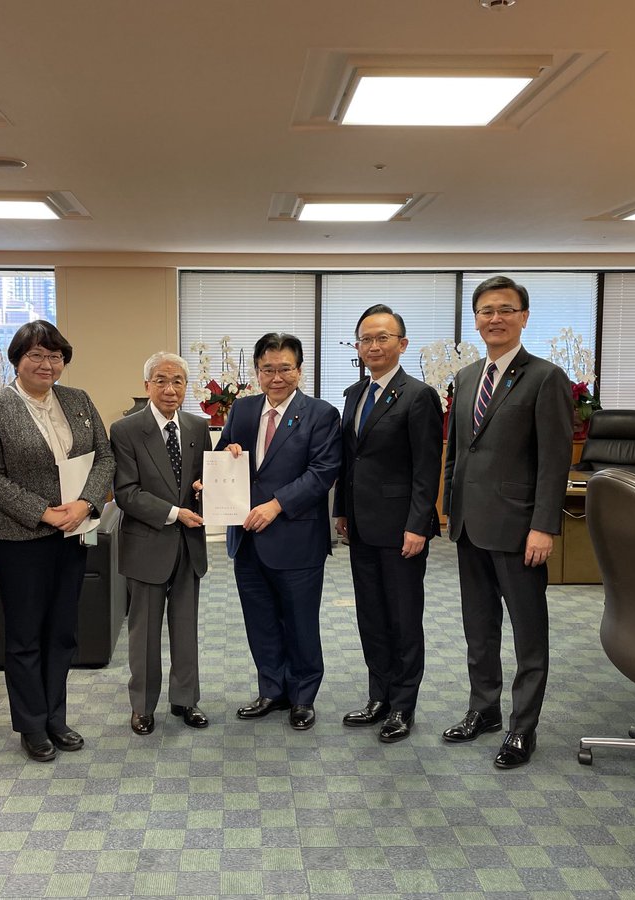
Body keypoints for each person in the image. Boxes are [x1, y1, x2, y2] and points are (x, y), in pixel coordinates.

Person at [441, 275, 573, 769]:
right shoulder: (466, 377)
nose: (495, 318)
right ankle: (484, 710)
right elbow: (457, 452)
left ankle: (523, 728)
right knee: (479, 629)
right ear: (476, 320)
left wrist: (544, 525)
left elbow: (554, 460)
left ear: (524, 317)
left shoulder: (545, 377)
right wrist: (450, 508)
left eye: (505, 310)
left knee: (528, 634)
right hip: (469, 526)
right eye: (486, 311)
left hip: (519, 529)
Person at [0, 320, 114, 762]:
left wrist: (87, 503)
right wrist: (43, 512)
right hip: (21, 539)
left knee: (62, 632)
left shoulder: (78, 400)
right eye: (36, 355)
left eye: (55, 356)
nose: (46, 364)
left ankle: (55, 716)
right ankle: (31, 724)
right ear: (17, 359)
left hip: (73, 534)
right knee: (25, 635)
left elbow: (104, 458)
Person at [218, 332, 341, 731]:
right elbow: (221, 455)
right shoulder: (243, 409)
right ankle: (272, 689)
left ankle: (303, 697)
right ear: (257, 372)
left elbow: (322, 473)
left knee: (300, 622)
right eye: (267, 369)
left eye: (285, 368)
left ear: (299, 370)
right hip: (248, 539)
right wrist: (225, 456)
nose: (276, 377)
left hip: (296, 536)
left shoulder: (321, 414)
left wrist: (276, 505)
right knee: (261, 621)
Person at [334, 304, 442, 744]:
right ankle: (378, 695)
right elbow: (349, 459)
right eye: (366, 339)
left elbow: (427, 468)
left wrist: (418, 525)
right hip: (361, 526)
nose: (373, 346)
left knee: (403, 618)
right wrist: (341, 509)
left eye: (382, 338)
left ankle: (403, 705)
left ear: (402, 343)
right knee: (372, 616)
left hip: (401, 529)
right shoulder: (354, 393)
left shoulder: (418, 396)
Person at [110, 352, 210, 735]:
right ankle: (143, 706)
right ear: (147, 385)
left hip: (188, 545)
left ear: (186, 386)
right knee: (145, 633)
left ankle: (186, 700)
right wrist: (174, 512)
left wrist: (208, 486)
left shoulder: (198, 427)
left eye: (178, 381)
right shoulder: (126, 430)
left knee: (186, 628)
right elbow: (126, 492)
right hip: (147, 543)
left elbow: (203, 481)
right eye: (162, 381)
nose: (170, 389)